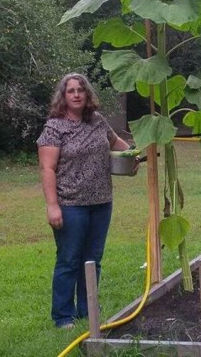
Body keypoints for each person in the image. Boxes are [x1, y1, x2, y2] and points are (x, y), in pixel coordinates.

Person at [37, 73, 136, 329]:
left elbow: (118, 145)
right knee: (69, 259)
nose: (77, 94)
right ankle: (63, 316)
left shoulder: (97, 121)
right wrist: (52, 206)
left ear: (87, 93)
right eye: (71, 91)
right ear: (63, 96)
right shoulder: (54, 128)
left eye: (81, 90)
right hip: (70, 205)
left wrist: (135, 156)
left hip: (102, 202)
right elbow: (47, 169)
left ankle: (87, 309)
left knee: (93, 259)